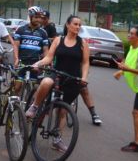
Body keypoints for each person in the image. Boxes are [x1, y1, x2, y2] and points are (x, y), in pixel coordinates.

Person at [26, 15, 90, 151]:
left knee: (63, 111)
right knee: (46, 82)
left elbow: (85, 63)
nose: (78, 27)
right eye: (75, 24)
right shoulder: (58, 40)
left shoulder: (83, 43)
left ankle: (57, 138)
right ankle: (35, 106)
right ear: (68, 25)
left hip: (73, 78)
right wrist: (37, 63)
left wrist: (84, 78)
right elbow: (49, 57)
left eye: (79, 25)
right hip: (57, 74)